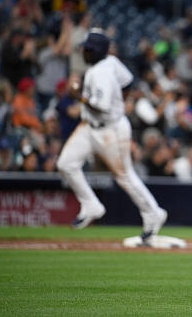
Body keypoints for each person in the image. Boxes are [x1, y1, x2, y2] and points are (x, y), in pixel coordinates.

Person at [56, 30, 167, 244]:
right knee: (66, 163)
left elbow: (101, 106)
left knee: (125, 177)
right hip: (89, 127)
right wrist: (120, 101)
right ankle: (91, 205)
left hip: (111, 130)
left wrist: (77, 95)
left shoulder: (101, 73)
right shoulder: (112, 61)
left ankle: (153, 213)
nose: (84, 52)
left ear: (96, 51)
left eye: (87, 49)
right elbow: (127, 81)